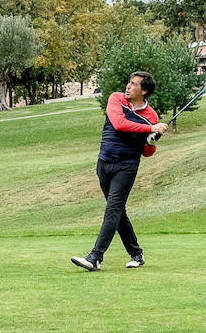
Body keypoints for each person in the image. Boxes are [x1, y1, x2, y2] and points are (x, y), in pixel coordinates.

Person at [71, 71, 169, 271]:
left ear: (144, 90)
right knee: (117, 211)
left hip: (126, 166)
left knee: (113, 209)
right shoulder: (116, 98)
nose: (128, 86)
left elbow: (147, 152)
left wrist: (152, 141)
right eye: (129, 82)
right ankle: (136, 253)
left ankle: (95, 257)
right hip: (104, 163)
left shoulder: (151, 116)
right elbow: (119, 124)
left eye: (134, 84)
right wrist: (150, 129)